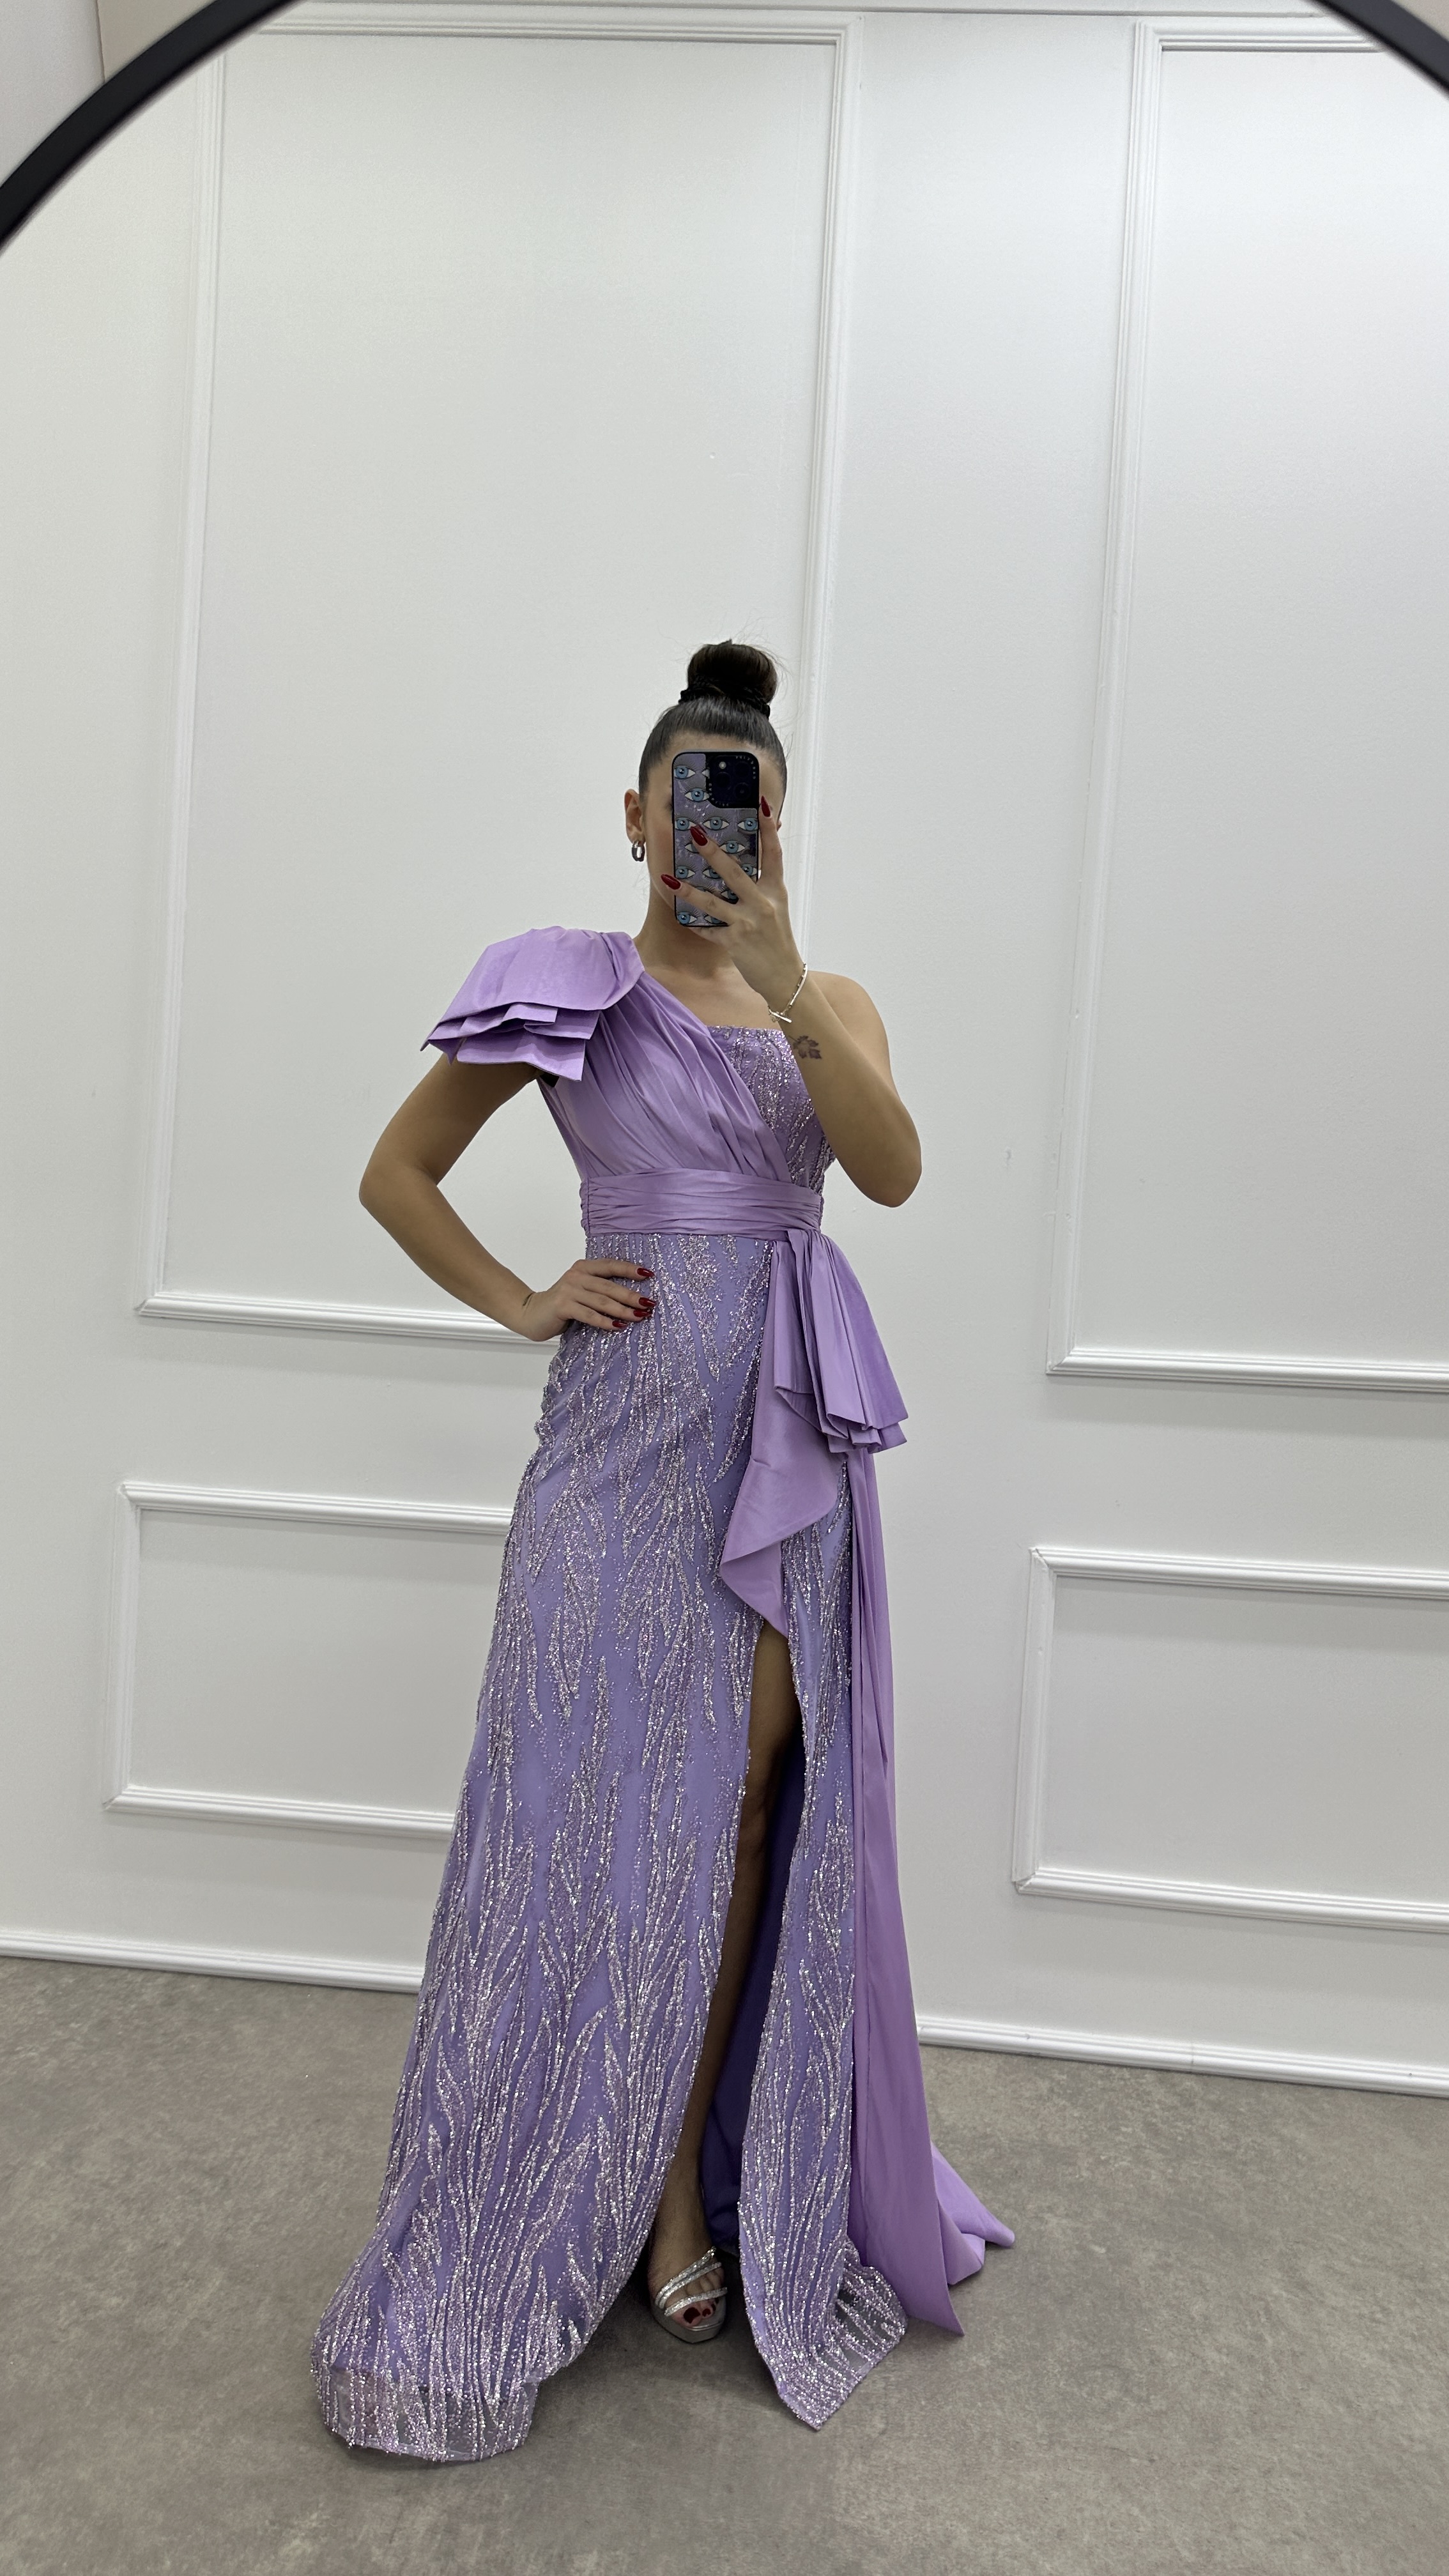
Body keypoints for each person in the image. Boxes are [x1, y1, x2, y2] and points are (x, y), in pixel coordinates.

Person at [310, 640, 1011, 2462]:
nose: (719, 840)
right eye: (694, 807)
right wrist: (519, 1299)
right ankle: (533, 2190)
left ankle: (681, 2193)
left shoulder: (824, 995)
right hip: (614, 1451)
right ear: (635, 816)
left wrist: (782, 983)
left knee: (744, 1815)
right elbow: (396, 1173)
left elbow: (891, 1173)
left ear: (776, 830)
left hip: (781, 1444)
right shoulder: (566, 987)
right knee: (568, 1823)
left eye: (753, 816)